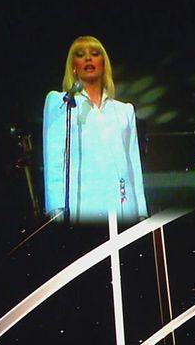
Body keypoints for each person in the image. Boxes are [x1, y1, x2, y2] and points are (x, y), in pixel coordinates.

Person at [43, 36, 148, 223]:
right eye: (80, 55)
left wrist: (141, 212)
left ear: (104, 64)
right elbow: (54, 163)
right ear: (73, 66)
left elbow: (133, 165)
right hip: (82, 208)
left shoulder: (124, 110)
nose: (88, 58)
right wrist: (56, 210)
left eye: (94, 53)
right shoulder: (61, 103)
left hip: (124, 208)